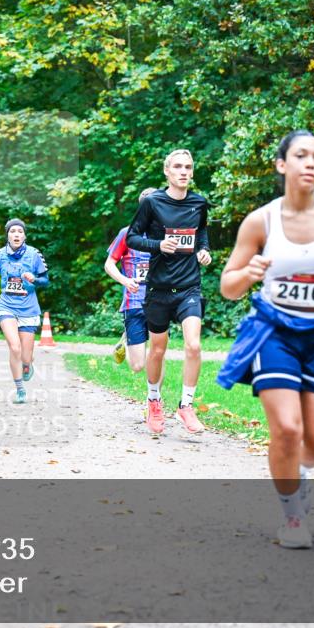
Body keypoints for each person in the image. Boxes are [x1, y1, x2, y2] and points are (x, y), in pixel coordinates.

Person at [217, 130, 314, 549]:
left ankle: (297, 470)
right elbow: (228, 286)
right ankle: (291, 516)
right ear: (281, 164)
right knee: (287, 429)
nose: (311, 163)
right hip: (275, 333)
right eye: (302, 155)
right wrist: (248, 274)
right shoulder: (261, 221)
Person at [126, 149, 212, 435]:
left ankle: (186, 405)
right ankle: (153, 400)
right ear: (167, 171)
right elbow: (132, 238)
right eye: (177, 167)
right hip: (159, 288)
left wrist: (204, 250)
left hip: (189, 286)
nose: (183, 171)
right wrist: (158, 245)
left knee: (194, 345)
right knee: (158, 349)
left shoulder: (199, 203)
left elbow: (201, 233)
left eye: (188, 167)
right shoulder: (152, 202)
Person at [0, 219, 49, 404]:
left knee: (26, 357)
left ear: (24, 236)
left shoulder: (34, 254)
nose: (16, 234)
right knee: (14, 347)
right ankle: (20, 389)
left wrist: (34, 279)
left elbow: (45, 280)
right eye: (12, 231)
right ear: (7, 235)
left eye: (20, 232)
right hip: (7, 306)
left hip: (29, 308)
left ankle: (27, 364)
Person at [105, 188, 154, 373]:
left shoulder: (166, 235)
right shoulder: (127, 233)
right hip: (134, 302)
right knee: (137, 365)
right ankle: (126, 341)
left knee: (158, 353)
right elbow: (109, 264)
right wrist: (125, 281)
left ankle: (155, 391)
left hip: (160, 302)